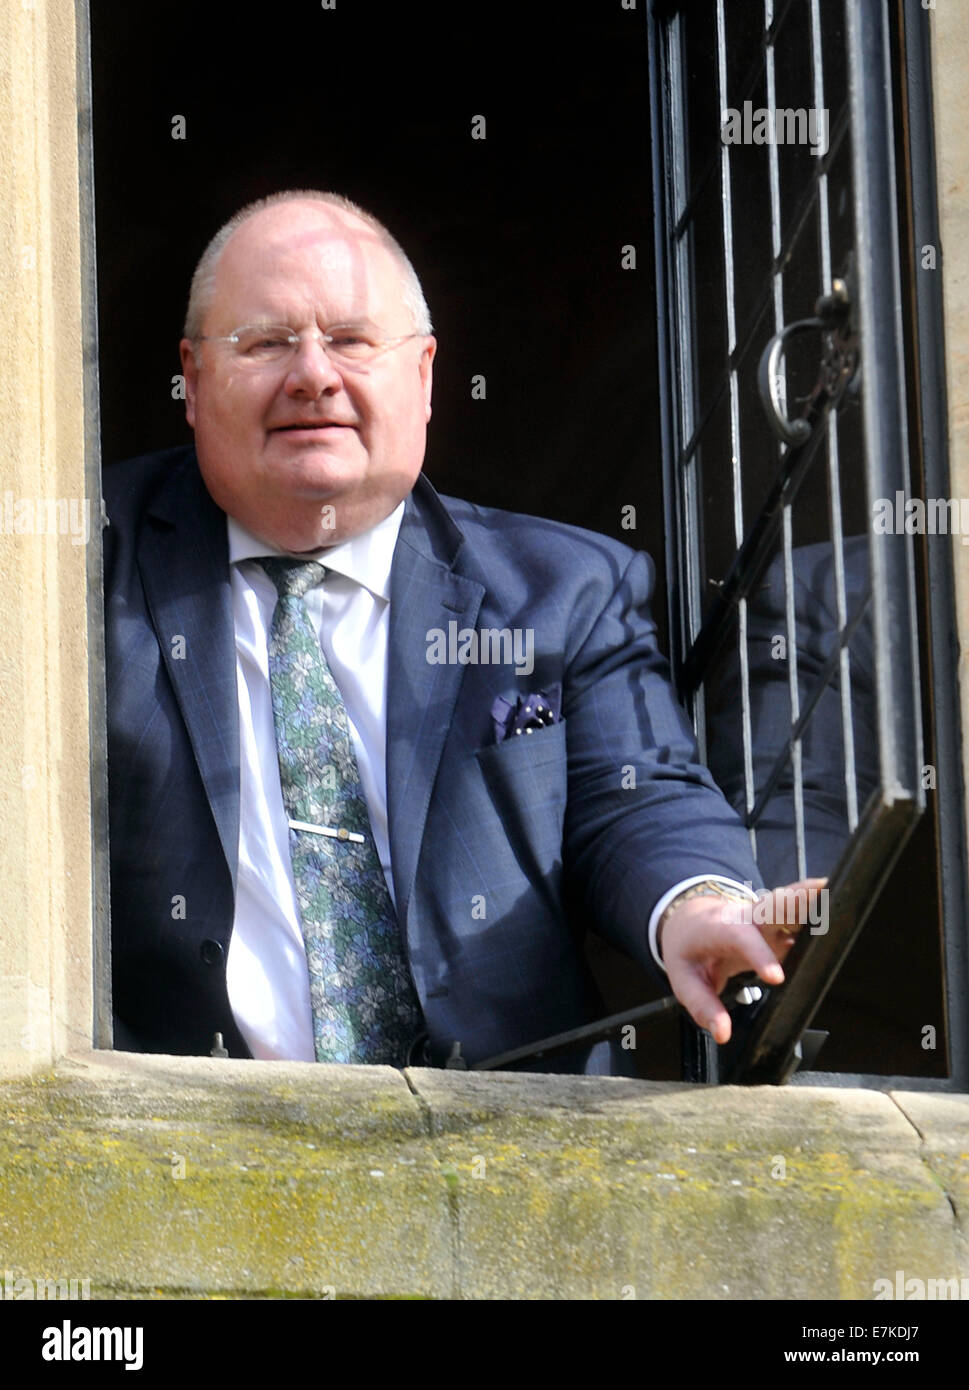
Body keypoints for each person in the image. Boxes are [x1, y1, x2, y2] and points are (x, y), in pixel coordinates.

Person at [103, 190, 820, 1074]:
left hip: (505, 1148)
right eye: (265, 342)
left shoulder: (560, 591)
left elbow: (639, 799)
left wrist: (694, 905)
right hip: (177, 1150)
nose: (314, 375)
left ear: (426, 375)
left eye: (354, 340)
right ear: (193, 376)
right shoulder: (80, 570)